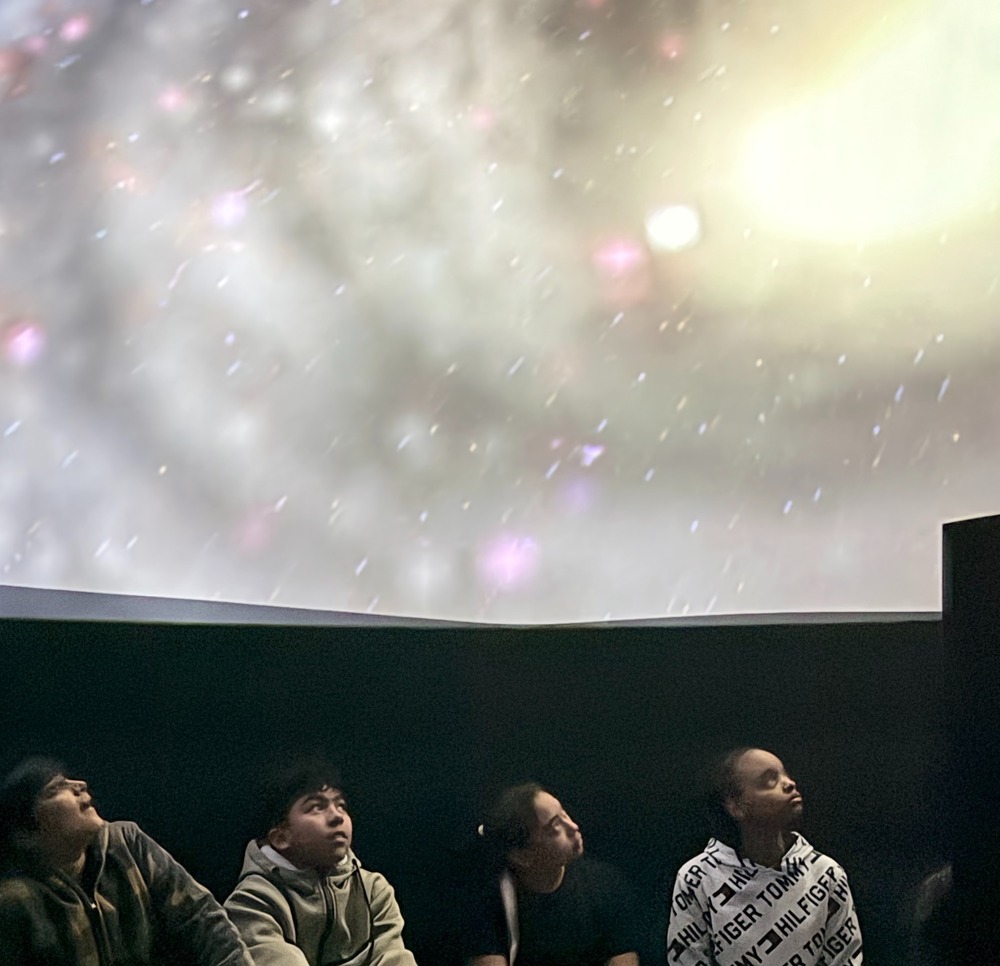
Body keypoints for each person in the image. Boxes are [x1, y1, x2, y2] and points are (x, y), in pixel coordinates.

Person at [0, 755, 253, 966]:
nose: (79, 785)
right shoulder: (14, 902)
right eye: (56, 788)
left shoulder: (126, 844)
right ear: (25, 834)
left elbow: (202, 919)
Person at [666, 747, 862, 966]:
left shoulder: (826, 873)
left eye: (785, 774)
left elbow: (845, 959)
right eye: (770, 780)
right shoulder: (697, 877)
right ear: (735, 806)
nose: (789, 783)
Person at [224, 758, 417, 966]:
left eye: (341, 805)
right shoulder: (253, 901)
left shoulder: (373, 891)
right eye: (316, 807)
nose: (337, 816)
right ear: (281, 837)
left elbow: (395, 959)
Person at [465, 781, 640, 966]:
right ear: (521, 856)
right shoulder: (487, 901)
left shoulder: (605, 883)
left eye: (564, 813)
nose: (573, 827)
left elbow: (624, 957)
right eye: (555, 827)